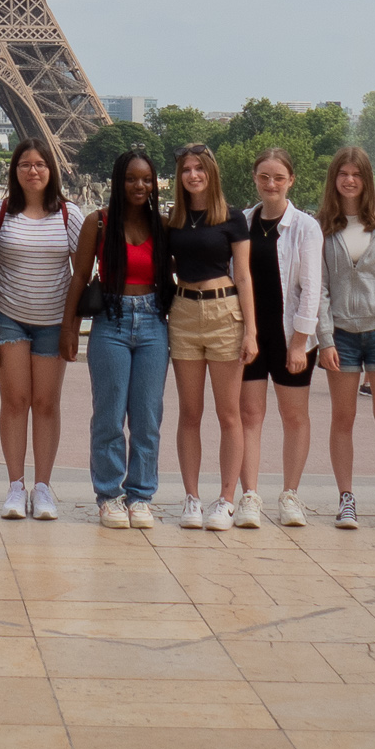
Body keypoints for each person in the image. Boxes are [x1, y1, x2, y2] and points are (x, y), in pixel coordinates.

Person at [63, 149, 169, 529]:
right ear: (117, 181)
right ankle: (109, 495)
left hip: (154, 322)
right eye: (131, 178)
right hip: (111, 320)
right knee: (108, 415)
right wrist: (69, 327)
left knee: (147, 416)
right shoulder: (99, 222)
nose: (139, 186)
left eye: (146, 179)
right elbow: (78, 277)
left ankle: (141, 496)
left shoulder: (163, 224)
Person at [0, 140, 83, 522]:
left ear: (51, 170)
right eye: (25, 164)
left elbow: (81, 274)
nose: (33, 171)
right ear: (15, 169)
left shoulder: (69, 215)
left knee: (46, 403)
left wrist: (71, 326)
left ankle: (42, 487)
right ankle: (15, 484)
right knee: (15, 401)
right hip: (9, 317)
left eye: (40, 164)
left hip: (54, 321)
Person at [315, 148, 375, 531]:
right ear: (334, 178)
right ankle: (346, 499)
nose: (350, 180)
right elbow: (319, 288)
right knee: (343, 418)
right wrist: (324, 339)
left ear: (367, 179)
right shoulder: (321, 227)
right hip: (340, 332)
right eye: (343, 173)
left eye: (357, 173)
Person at [166, 143, 257, 531]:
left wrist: (251, 330)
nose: (193, 175)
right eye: (186, 169)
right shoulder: (172, 220)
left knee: (228, 413)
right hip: (184, 311)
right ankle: (191, 497)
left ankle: (225, 498)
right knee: (189, 413)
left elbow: (244, 275)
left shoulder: (232, 218)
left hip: (224, 312)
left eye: (199, 168)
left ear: (211, 173)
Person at [234, 148, 323, 528]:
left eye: (279, 178)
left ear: (291, 181)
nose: (271, 184)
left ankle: (290, 494)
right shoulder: (241, 222)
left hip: (290, 335)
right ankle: (250, 495)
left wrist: (300, 341)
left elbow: (312, 288)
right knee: (249, 416)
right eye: (264, 177)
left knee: (294, 417)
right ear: (254, 178)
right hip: (250, 333)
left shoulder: (306, 226)